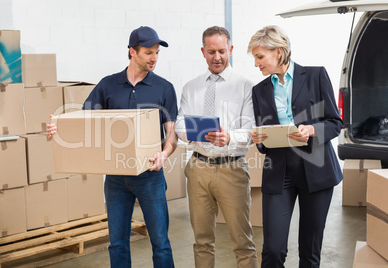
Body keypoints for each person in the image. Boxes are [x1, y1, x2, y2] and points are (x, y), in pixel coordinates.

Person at [47, 26, 178, 268]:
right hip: (116, 179)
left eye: (157, 53)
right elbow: (84, 121)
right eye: (149, 52)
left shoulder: (164, 88)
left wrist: (165, 154)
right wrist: (59, 129)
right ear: (132, 52)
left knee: (161, 243)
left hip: (151, 176)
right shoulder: (108, 85)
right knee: (117, 242)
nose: (154, 58)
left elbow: (172, 134)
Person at [247, 25, 343, 268]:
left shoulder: (315, 76)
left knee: (310, 251)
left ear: (278, 51)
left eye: (260, 57)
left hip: (316, 171)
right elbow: (263, 139)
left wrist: (312, 130)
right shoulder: (259, 91)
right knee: (273, 250)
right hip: (279, 172)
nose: (256, 64)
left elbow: (335, 122)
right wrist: (260, 140)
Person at [175, 26, 259, 268]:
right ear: (203, 52)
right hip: (198, 168)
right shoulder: (191, 87)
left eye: (222, 51)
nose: (217, 57)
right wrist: (193, 133)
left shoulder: (245, 86)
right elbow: (180, 123)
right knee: (201, 241)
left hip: (231, 170)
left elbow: (252, 130)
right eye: (211, 51)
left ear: (230, 50)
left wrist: (229, 137)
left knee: (242, 242)